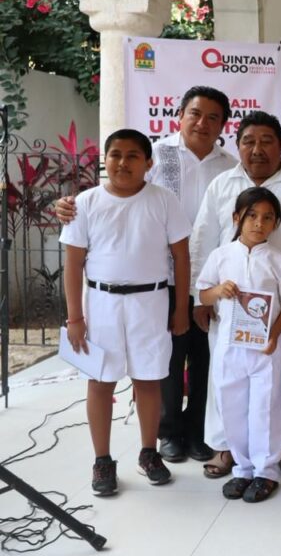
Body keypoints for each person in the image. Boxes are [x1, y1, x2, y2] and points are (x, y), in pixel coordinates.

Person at [54, 86, 236, 464]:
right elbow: (110, 197)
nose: (202, 123)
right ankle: (165, 435)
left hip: (209, 276)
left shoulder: (229, 165)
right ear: (181, 115)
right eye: (195, 113)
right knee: (162, 366)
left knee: (205, 358)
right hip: (158, 280)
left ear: (222, 124)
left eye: (212, 117)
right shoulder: (154, 154)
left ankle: (199, 432)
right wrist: (67, 205)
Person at [192, 112, 281, 478]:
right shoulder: (222, 185)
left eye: (267, 141)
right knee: (226, 376)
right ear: (237, 146)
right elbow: (202, 242)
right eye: (248, 141)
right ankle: (225, 447)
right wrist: (199, 298)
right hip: (229, 305)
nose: (257, 149)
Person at [60, 129, 192, 496]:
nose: (122, 162)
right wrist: (75, 318)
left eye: (133, 155)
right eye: (115, 154)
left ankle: (149, 452)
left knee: (148, 379)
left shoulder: (163, 201)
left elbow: (181, 257)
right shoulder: (85, 203)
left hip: (149, 302)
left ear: (148, 164)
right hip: (101, 303)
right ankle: (102, 460)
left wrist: (180, 308)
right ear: (105, 160)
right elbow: (73, 264)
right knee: (100, 381)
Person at [196, 187, 281, 503]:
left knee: (264, 407)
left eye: (268, 217)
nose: (259, 223)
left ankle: (266, 471)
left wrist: (274, 335)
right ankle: (242, 468)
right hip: (230, 347)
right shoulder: (221, 256)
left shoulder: (279, 261)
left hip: (265, 348)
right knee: (232, 404)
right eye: (252, 215)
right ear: (236, 218)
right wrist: (218, 291)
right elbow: (202, 295)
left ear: (276, 223)